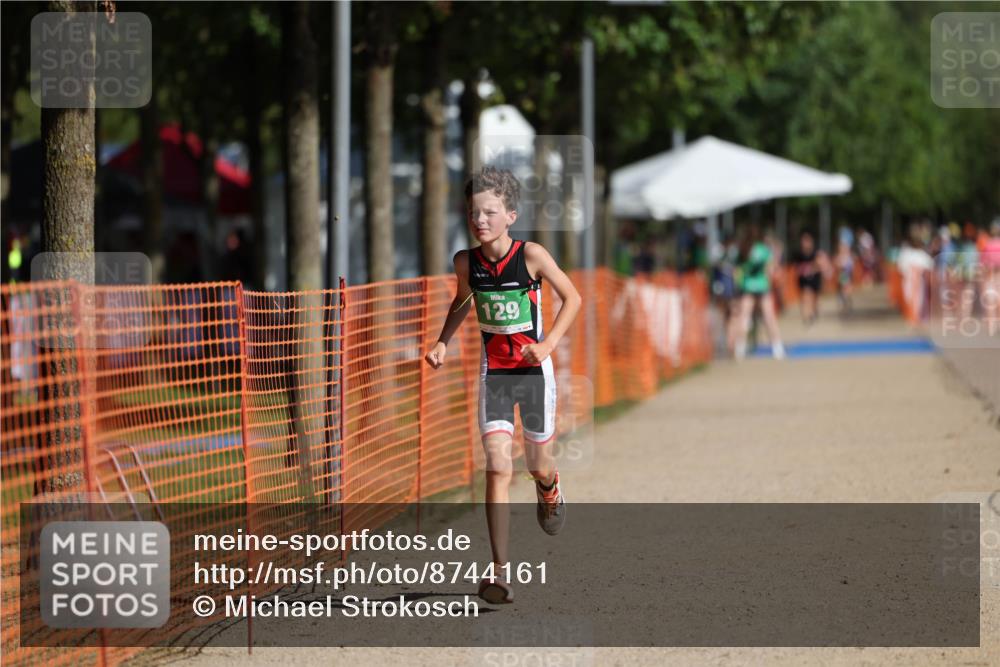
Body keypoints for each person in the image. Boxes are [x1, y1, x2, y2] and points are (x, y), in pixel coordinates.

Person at [424, 166, 582, 604]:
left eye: (489, 212)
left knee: (537, 464)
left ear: (510, 215)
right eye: (474, 212)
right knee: (496, 465)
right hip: (494, 374)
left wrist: (547, 344)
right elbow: (463, 300)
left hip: (533, 373)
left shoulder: (530, 255)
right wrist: (441, 342)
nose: (480, 220)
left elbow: (573, 297)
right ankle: (499, 572)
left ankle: (549, 487)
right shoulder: (465, 262)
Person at [734, 226, 785, 360]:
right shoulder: (763, 249)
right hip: (762, 286)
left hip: (747, 287)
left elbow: (738, 270)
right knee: (769, 317)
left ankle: (740, 348)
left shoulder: (742, 249)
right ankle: (777, 348)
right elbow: (771, 268)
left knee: (744, 317)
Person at [790, 231, 829, 326]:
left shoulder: (816, 253)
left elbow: (822, 265)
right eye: (803, 241)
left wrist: (814, 269)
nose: (805, 243)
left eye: (807, 241)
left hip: (815, 278)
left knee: (815, 298)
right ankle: (806, 317)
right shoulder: (798, 254)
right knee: (805, 296)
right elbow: (795, 267)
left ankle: (814, 312)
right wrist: (801, 270)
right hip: (804, 280)